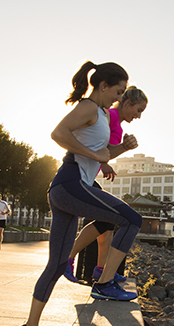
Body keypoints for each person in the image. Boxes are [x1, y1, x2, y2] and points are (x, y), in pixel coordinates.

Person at [13, 61, 143, 326]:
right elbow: (58, 133)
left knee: (57, 264)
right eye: (119, 91)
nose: (119, 98)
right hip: (70, 183)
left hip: (67, 189)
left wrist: (122, 148)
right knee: (131, 219)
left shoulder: (99, 114)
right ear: (103, 86)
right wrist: (92, 153)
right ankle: (105, 284)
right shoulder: (88, 107)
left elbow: (101, 154)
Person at [63, 86, 148, 283]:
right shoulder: (108, 116)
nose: (139, 116)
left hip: (88, 176)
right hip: (79, 175)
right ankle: (69, 258)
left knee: (107, 223)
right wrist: (103, 162)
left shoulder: (118, 126)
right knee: (113, 219)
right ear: (127, 103)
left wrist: (122, 148)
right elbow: (94, 141)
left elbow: (107, 150)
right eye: (138, 110)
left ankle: (101, 269)